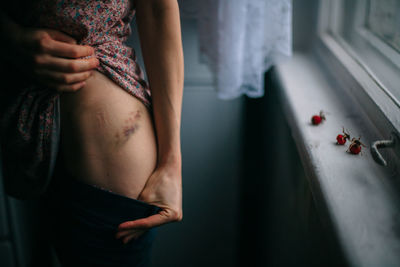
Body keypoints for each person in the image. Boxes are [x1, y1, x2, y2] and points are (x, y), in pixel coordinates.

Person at [0, 0, 184, 265]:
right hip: (15, 120)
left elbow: (157, 8)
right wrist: (10, 38)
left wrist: (171, 164)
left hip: (104, 142)